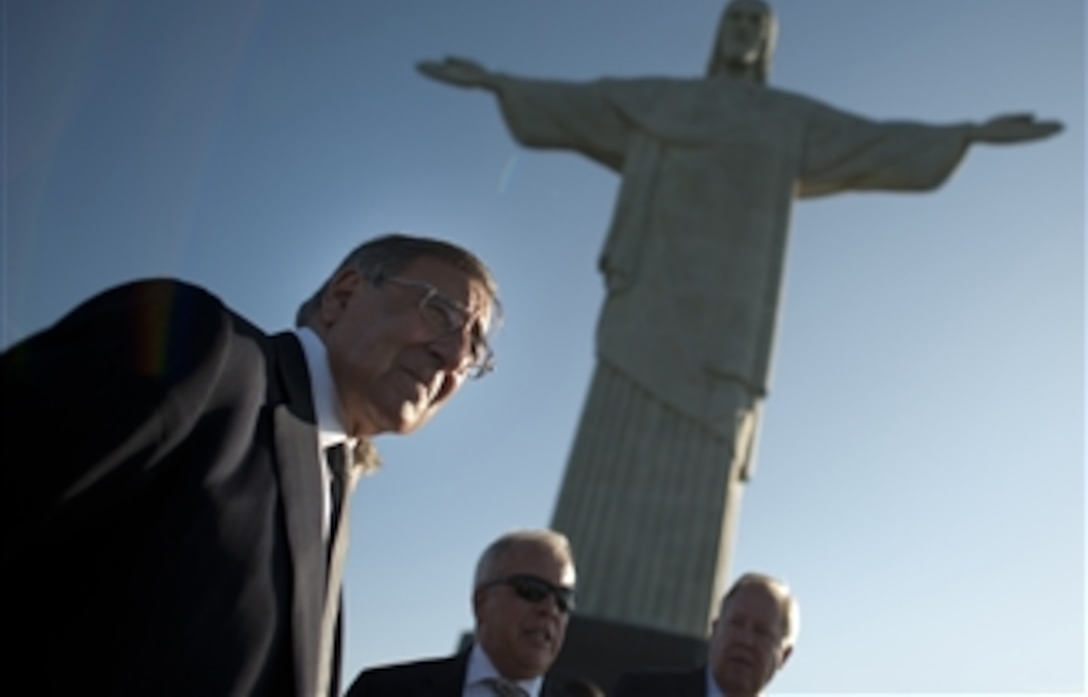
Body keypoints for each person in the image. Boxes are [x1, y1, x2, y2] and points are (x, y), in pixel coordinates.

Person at [416, 0, 1063, 638]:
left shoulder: (786, 119)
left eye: (758, 23)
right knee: (614, 438)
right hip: (645, 307)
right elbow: (588, 103)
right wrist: (498, 83)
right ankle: (581, 602)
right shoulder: (667, 100)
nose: (744, 31)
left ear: (770, 41)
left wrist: (966, 135)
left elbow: (874, 141)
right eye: (736, 19)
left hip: (727, 325)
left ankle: (665, 620)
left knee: (707, 459)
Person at [1, 233, 500, 696]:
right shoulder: (204, 349)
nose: (455, 356)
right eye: (441, 311)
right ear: (344, 295)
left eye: (475, 347)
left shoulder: (334, 485)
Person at [345, 528, 577, 696]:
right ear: (481, 602)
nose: (550, 609)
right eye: (531, 590)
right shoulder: (384, 691)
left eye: (563, 599)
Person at [610, 573, 798, 697]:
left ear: (785, 655)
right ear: (715, 630)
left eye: (761, 632)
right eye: (736, 623)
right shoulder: (640, 692)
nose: (745, 640)